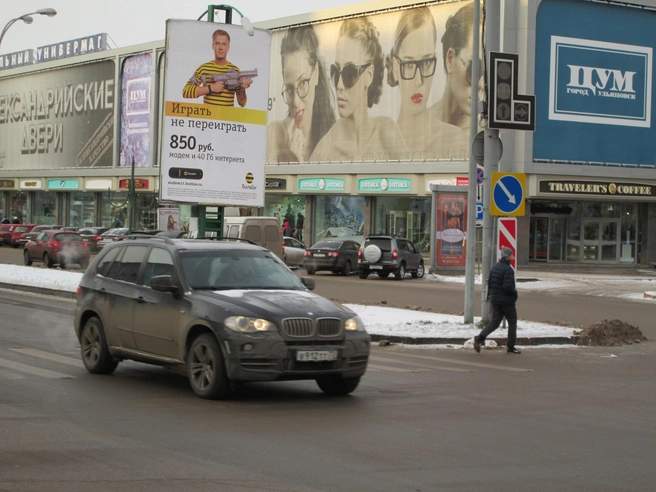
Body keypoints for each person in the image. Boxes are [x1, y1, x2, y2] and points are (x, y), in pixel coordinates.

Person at [309, 17, 407, 162]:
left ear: (369, 75)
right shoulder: (325, 151)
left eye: (349, 73)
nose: (340, 85)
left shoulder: (387, 134)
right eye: (336, 71)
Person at [385, 7, 467, 158]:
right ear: (395, 67)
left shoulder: (455, 140)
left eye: (426, 63)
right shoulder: (380, 144)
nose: (418, 81)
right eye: (409, 65)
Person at [267, 26, 336, 163]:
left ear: (315, 73)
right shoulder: (275, 135)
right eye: (290, 89)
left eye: (303, 83)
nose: (296, 102)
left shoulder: (335, 137)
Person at [430, 2, 484, 133]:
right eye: (475, 67)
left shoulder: (485, 136)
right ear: (450, 59)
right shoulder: (419, 129)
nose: (481, 84)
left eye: (489, 73)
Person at [182, 29, 251, 107]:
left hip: (227, 117)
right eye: (217, 43)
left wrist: (242, 88)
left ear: (228, 47)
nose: (220, 48)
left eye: (224, 44)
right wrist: (210, 88)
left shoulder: (235, 71)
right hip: (209, 117)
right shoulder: (204, 69)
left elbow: (242, 103)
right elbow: (186, 91)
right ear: (213, 46)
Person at [474, 247, 521, 354]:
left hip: (495, 300)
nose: (513, 256)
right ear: (508, 257)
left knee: (495, 322)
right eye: (512, 255)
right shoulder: (508, 270)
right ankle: (511, 347)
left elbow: (490, 283)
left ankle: (480, 337)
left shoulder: (495, 267)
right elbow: (508, 287)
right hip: (507, 301)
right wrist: (515, 292)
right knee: (512, 323)